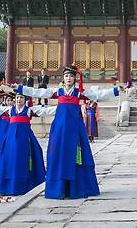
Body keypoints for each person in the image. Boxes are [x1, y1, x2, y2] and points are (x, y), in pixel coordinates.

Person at [14, 65, 121, 199]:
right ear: (63, 79)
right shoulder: (57, 92)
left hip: (75, 129)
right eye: (66, 76)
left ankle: (76, 187)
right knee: (58, 155)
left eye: (71, 76)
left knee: (76, 156)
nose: (68, 78)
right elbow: (38, 92)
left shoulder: (79, 92)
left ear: (75, 78)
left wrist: (116, 90)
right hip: (60, 129)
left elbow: (98, 95)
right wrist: (19, 88)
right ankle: (59, 189)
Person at [0, 93, 52, 196]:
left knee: (24, 161)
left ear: (25, 99)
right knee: (9, 160)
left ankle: (25, 185)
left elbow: (45, 111)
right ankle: (8, 186)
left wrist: (60, 107)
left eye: (21, 97)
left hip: (25, 140)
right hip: (11, 140)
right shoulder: (9, 110)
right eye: (17, 98)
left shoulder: (29, 110)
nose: (18, 99)